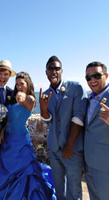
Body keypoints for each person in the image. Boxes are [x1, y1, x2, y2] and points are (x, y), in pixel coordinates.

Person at [0, 72, 55, 200]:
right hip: (7, 139)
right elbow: (11, 118)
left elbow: (27, 100)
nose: (19, 87)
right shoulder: (14, 97)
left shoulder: (31, 99)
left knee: (24, 172)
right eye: (17, 84)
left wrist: (22, 96)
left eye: (22, 84)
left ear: (28, 84)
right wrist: (3, 130)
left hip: (20, 142)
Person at [39, 56, 88, 200]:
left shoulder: (76, 87)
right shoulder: (46, 93)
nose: (53, 71)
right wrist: (42, 108)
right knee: (59, 186)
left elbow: (79, 117)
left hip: (71, 148)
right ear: (46, 72)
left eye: (57, 68)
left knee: (74, 187)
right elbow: (48, 120)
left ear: (62, 71)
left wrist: (70, 143)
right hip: (54, 147)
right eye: (50, 69)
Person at [84, 61, 109, 200]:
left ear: (106, 75)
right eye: (88, 77)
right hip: (89, 163)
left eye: (96, 76)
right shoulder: (89, 99)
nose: (92, 80)